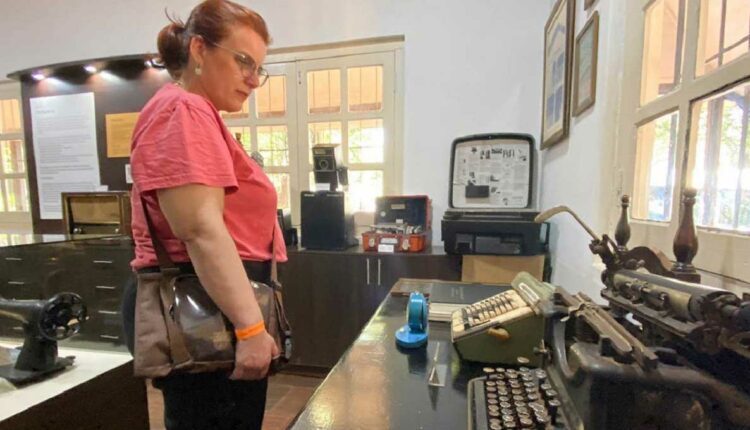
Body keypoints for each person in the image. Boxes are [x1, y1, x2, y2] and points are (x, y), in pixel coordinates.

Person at [120, 1, 285, 428]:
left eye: (259, 68)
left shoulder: (193, 111)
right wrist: (250, 329)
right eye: (243, 61)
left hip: (212, 301)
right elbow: (200, 230)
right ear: (198, 49)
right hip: (204, 306)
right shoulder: (184, 110)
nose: (253, 79)